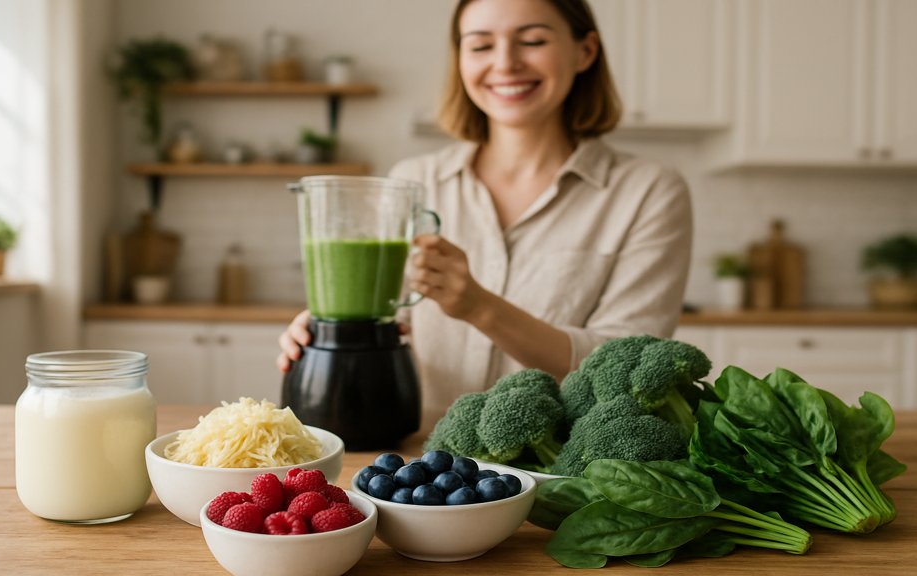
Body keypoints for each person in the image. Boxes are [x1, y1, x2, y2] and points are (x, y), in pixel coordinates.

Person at [278, 0, 692, 433]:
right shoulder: (415, 181)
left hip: (564, 471)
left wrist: (480, 307)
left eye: (532, 40)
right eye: (479, 46)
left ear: (585, 51)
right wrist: (332, 330)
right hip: (420, 467)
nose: (505, 63)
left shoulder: (648, 191)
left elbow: (629, 364)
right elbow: (392, 323)